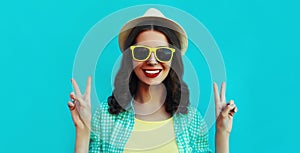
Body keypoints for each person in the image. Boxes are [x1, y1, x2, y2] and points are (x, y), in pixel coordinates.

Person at [67, 8, 238, 153]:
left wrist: (222, 132)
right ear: (130, 58)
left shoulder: (190, 120)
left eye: (163, 53)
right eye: (142, 52)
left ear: (173, 59)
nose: (152, 61)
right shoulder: (106, 116)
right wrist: (82, 131)